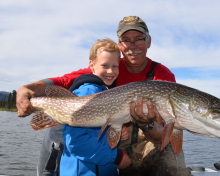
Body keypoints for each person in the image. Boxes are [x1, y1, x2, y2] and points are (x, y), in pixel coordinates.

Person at [17, 16, 192, 176]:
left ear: (149, 41)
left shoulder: (161, 76)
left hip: (145, 138)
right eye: (126, 40)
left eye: (139, 38)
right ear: (120, 44)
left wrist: (146, 124)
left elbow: (162, 134)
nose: (132, 46)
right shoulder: (110, 68)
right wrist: (27, 89)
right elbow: (64, 81)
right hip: (111, 139)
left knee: (168, 159)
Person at [59, 38, 131, 176]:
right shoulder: (88, 93)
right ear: (92, 65)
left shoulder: (104, 93)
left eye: (115, 66)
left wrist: (118, 134)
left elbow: (96, 132)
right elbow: (76, 142)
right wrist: (117, 157)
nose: (110, 71)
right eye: (105, 65)